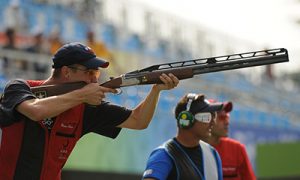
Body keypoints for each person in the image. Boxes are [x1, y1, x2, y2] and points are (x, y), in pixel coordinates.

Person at [0, 42, 179, 180]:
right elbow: (35, 111)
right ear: (67, 72)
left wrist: (156, 90)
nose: (94, 78)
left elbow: (138, 121)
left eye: (97, 73)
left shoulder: (86, 107)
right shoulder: (19, 87)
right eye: (89, 72)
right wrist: (81, 95)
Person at [143, 93, 224, 180]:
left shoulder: (212, 154)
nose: (213, 122)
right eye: (206, 117)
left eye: (213, 116)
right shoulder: (163, 155)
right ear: (187, 120)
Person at [205, 99, 256, 180]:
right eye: (222, 117)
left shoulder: (237, 149)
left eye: (227, 117)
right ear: (206, 120)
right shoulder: (193, 148)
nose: (227, 122)